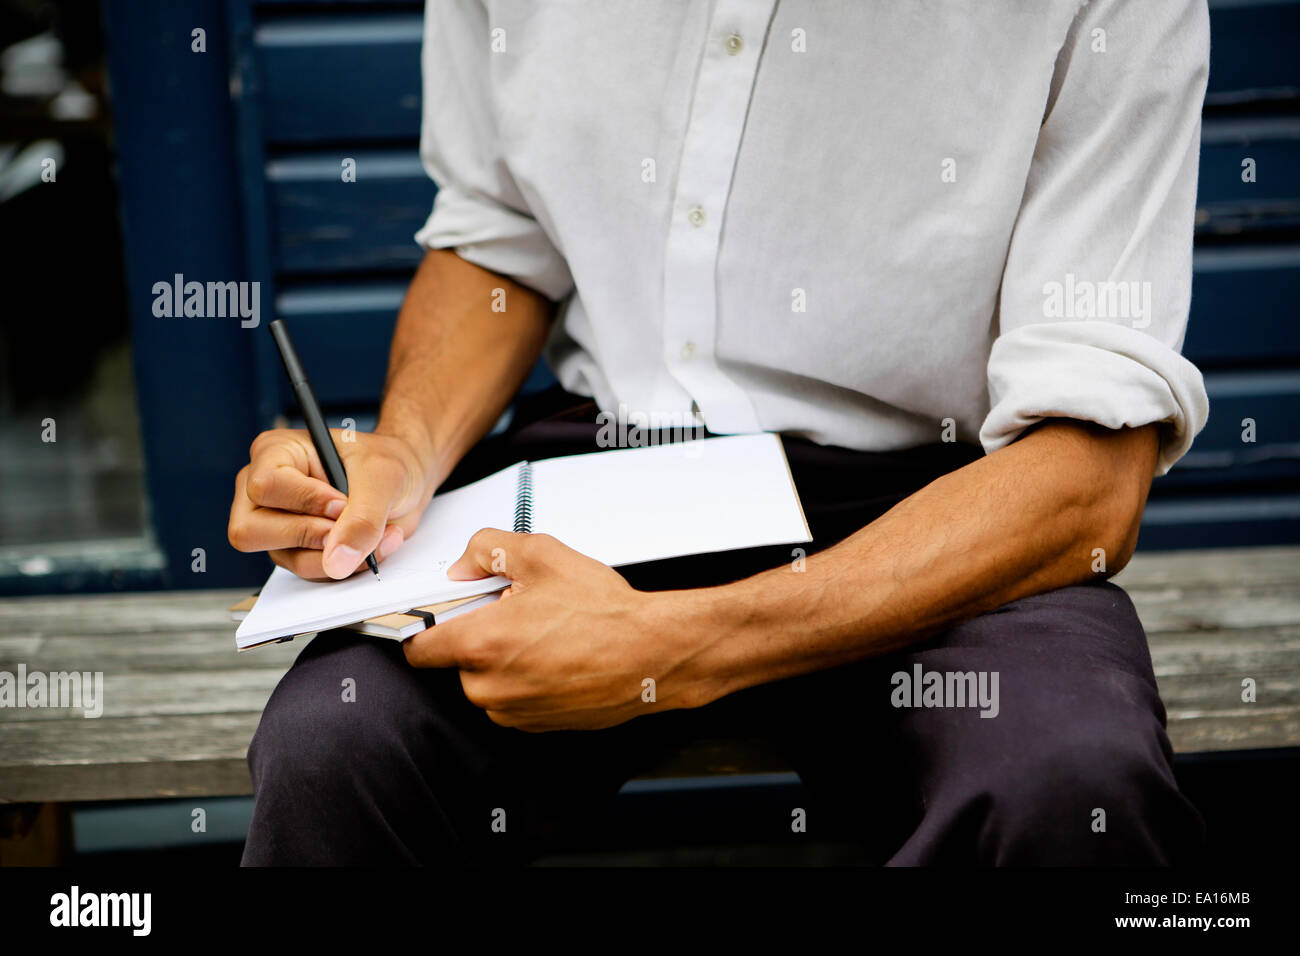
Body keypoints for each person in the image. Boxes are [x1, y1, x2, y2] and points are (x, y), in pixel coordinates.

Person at [229, 0, 1211, 865]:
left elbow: (1090, 474)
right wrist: (401, 449)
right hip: (596, 481)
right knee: (334, 750)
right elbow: (499, 235)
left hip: (941, 503)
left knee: (1070, 778)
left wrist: (679, 644)